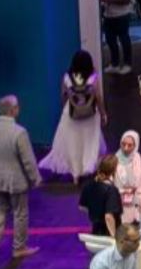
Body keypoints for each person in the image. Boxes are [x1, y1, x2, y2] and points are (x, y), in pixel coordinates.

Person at [0, 95, 39, 260]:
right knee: (20, 213)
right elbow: (28, 160)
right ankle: (19, 247)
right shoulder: (19, 132)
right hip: (15, 181)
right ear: (13, 110)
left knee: (0, 209)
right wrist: (35, 178)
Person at [42, 51, 107, 180]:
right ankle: (87, 167)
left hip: (71, 113)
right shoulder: (93, 77)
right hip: (90, 114)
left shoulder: (67, 77)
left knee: (73, 142)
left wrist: (66, 109)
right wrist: (103, 113)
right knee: (89, 142)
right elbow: (98, 97)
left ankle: (75, 172)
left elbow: (63, 96)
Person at [79, 155, 124, 238]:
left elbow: (82, 207)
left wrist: (96, 213)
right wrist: (113, 237)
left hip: (95, 232)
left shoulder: (88, 185)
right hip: (107, 234)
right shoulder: (111, 190)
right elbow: (108, 216)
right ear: (113, 172)